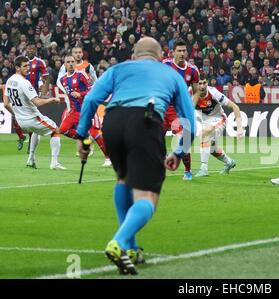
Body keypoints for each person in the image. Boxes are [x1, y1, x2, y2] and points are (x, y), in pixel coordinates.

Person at [75, 37, 196, 275]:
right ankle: (118, 243)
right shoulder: (171, 75)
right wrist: (179, 152)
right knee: (148, 196)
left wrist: (82, 136)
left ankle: (130, 249)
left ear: (134, 55)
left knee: (123, 179)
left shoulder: (118, 69)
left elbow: (90, 99)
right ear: (161, 56)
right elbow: (189, 121)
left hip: (113, 121)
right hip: (145, 120)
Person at [4, 55, 65, 170]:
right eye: (25, 66)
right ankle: (54, 163)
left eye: (28, 65)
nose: (28, 68)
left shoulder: (9, 81)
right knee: (55, 130)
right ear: (17, 68)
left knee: (35, 131)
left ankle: (31, 159)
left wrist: (16, 114)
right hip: (32, 117)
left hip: (21, 120)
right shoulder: (24, 82)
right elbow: (37, 102)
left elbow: (6, 103)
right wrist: (52, 99)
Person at [58, 55, 111, 167]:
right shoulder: (63, 80)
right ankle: (84, 138)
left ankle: (108, 158)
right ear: (65, 64)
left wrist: (80, 94)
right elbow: (69, 96)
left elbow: (92, 88)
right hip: (74, 111)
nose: (71, 64)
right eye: (68, 62)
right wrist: (69, 108)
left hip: (87, 108)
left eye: (72, 62)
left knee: (95, 133)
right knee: (62, 129)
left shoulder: (81, 75)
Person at [162, 39, 199, 181]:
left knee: (182, 140)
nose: (182, 53)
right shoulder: (165, 65)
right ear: (173, 52)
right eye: (179, 51)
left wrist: (190, 107)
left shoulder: (193, 70)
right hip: (162, 108)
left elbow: (196, 92)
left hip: (177, 110)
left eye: (184, 50)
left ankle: (188, 171)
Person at [193, 73, 244, 177]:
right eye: (200, 84)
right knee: (211, 149)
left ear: (207, 83)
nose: (202, 86)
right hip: (205, 121)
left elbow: (235, 107)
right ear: (195, 85)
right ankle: (229, 162)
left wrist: (239, 128)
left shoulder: (214, 93)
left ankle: (204, 168)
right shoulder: (191, 94)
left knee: (203, 134)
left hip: (219, 119)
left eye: (204, 83)